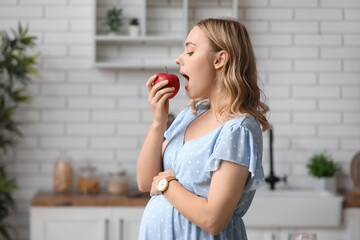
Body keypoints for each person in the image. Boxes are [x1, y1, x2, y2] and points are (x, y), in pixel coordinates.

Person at [137, 17, 270, 240]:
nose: (179, 59)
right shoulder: (189, 116)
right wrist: (158, 122)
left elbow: (213, 219)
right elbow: (144, 182)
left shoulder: (238, 130)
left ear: (220, 59)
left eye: (190, 52)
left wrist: (166, 184)